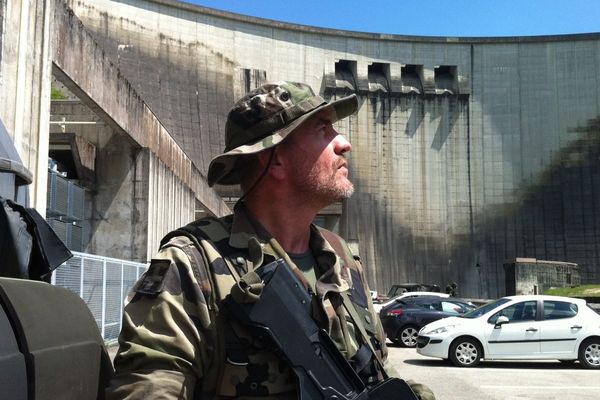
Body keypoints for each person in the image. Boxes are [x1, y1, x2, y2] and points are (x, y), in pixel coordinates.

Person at [106, 81, 435, 399]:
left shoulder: (342, 259)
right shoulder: (193, 265)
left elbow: (377, 370)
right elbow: (148, 386)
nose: (343, 142)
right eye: (323, 130)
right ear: (274, 158)